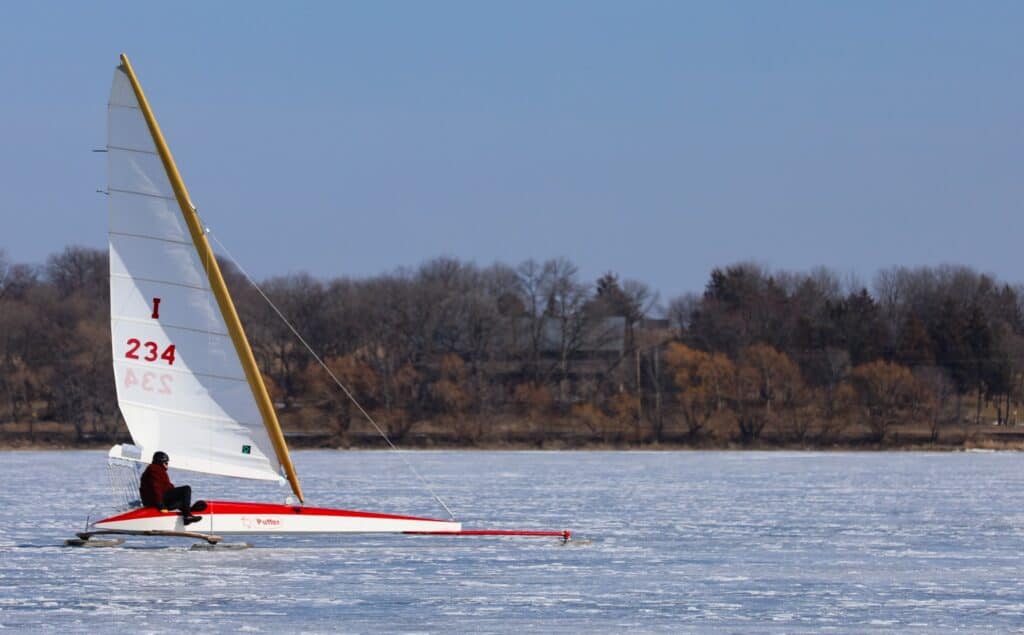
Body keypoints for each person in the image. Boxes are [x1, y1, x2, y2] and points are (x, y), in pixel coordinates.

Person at [139, 451, 203, 525]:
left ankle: (188, 511)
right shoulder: (154, 469)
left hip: (157, 500)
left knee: (181, 497)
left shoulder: (157, 470)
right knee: (186, 489)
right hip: (156, 502)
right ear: (160, 462)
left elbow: (168, 487)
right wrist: (160, 505)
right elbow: (155, 487)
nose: (167, 465)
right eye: (166, 463)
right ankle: (187, 516)